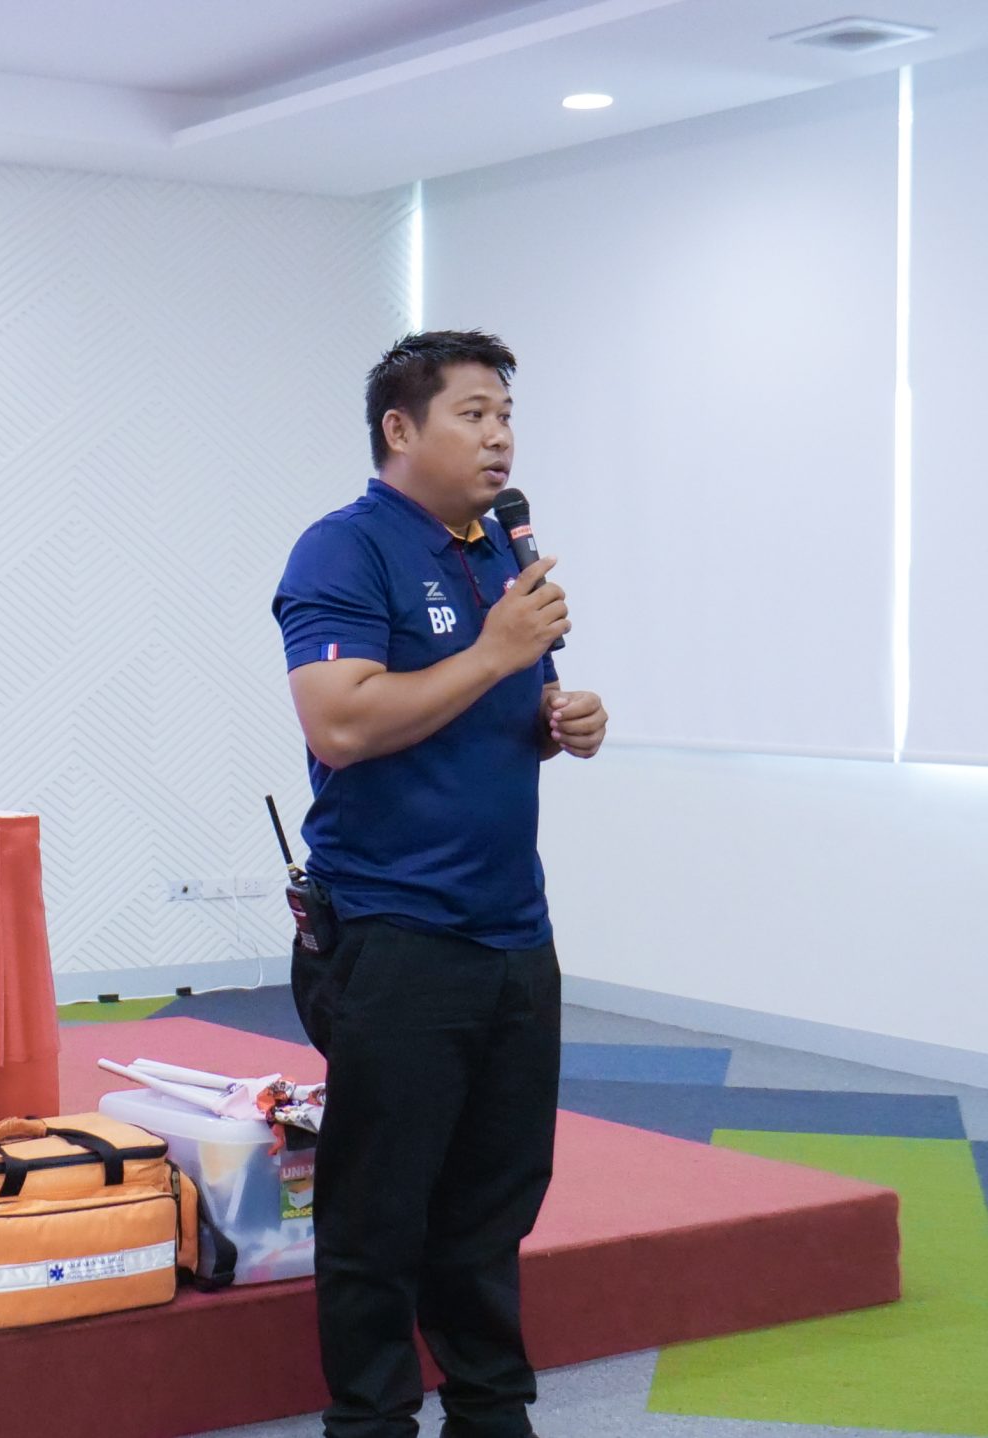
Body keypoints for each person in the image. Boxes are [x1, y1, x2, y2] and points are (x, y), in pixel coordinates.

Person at [270, 330, 609, 1438]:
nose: (499, 436)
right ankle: (370, 1423)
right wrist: (497, 654)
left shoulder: (501, 548)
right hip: (395, 930)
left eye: (505, 415)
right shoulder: (345, 548)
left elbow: (490, 701)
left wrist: (560, 717)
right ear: (399, 428)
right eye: (472, 413)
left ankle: (490, 1413)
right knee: (378, 1212)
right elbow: (341, 721)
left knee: (492, 1204)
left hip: (513, 929)